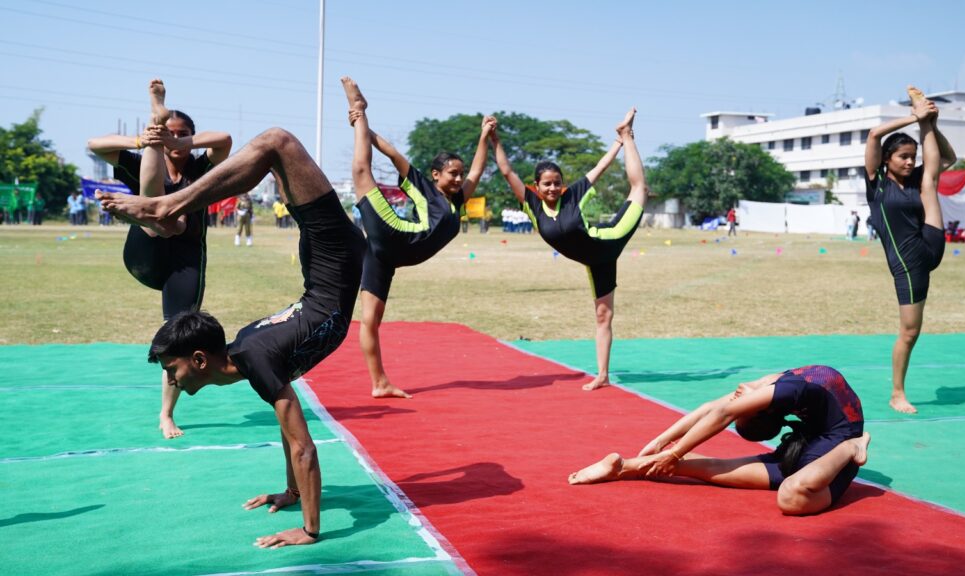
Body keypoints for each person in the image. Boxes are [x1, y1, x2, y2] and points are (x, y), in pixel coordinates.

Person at [99, 122, 366, 549]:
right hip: (328, 259)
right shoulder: (247, 350)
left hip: (333, 255)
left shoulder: (253, 356)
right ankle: (166, 206)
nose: (171, 378)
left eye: (172, 368)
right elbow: (289, 430)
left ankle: (166, 206)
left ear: (200, 359)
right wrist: (291, 492)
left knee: (277, 142)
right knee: (274, 150)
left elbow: (304, 449)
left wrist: (309, 529)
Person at [87, 79, 232, 438]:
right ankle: (153, 217)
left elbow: (225, 141)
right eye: (166, 131)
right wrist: (144, 141)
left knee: (178, 334)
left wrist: (183, 142)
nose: (174, 138)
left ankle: (166, 414)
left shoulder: (200, 169)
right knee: (167, 220)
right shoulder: (140, 159)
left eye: (180, 134)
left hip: (184, 261)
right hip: (144, 254)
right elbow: (94, 145)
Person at [342, 77, 493, 399]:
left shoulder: (459, 201)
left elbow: (478, 171)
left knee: (370, 320)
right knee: (360, 170)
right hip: (392, 231)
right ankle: (358, 107)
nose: (458, 178)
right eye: (452, 173)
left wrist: (484, 137)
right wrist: (362, 126)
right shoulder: (425, 186)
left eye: (459, 173)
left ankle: (380, 383)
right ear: (436, 174)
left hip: (386, 258)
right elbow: (392, 152)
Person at [569, 366, 871, 516]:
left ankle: (854, 447)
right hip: (815, 437)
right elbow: (710, 408)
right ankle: (622, 468)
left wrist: (675, 453)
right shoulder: (764, 389)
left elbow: (723, 413)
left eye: (742, 408)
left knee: (791, 497)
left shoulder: (784, 393)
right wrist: (660, 443)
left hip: (838, 442)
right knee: (714, 469)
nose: (738, 393)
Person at [491, 107, 647, 391]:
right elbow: (506, 170)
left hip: (611, 238)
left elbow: (600, 168)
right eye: (547, 184)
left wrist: (619, 142)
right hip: (597, 262)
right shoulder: (532, 204)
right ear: (536, 186)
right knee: (603, 316)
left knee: (638, 189)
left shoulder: (572, 195)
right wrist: (494, 138)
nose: (553, 188)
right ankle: (603, 375)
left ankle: (629, 135)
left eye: (557, 183)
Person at [864, 86, 956, 414]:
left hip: (931, 243)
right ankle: (896, 393)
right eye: (903, 156)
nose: (909, 162)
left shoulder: (916, 178)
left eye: (912, 157)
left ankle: (927, 122)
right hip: (908, 262)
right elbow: (875, 134)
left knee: (929, 181)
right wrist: (913, 116)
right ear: (887, 159)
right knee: (910, 332)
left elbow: (949, 159)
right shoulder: (877, 184)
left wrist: (929, 123)